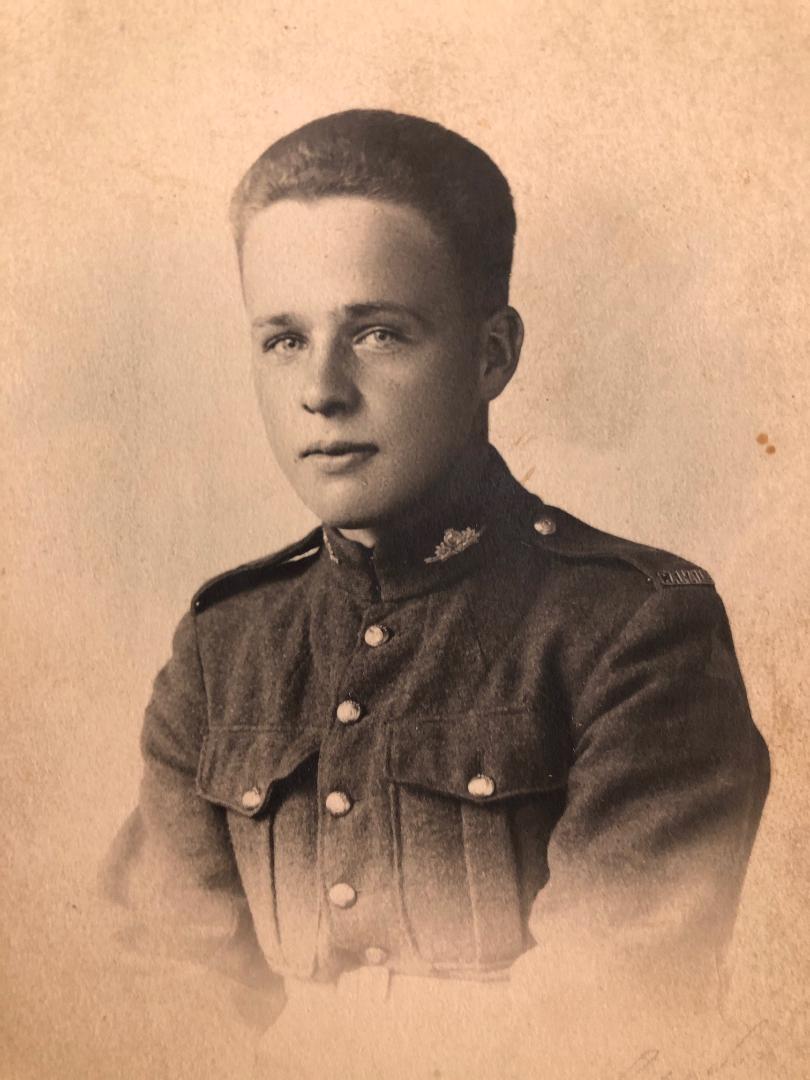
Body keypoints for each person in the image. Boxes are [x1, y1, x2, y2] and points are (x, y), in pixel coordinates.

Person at [101, 109, 770, 1078]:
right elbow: (158, 1008)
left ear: (492, 355)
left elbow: (610, 1018)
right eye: (283, 340)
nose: (321, 391)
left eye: (377, 333)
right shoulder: (224, 646)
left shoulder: (635, 627)